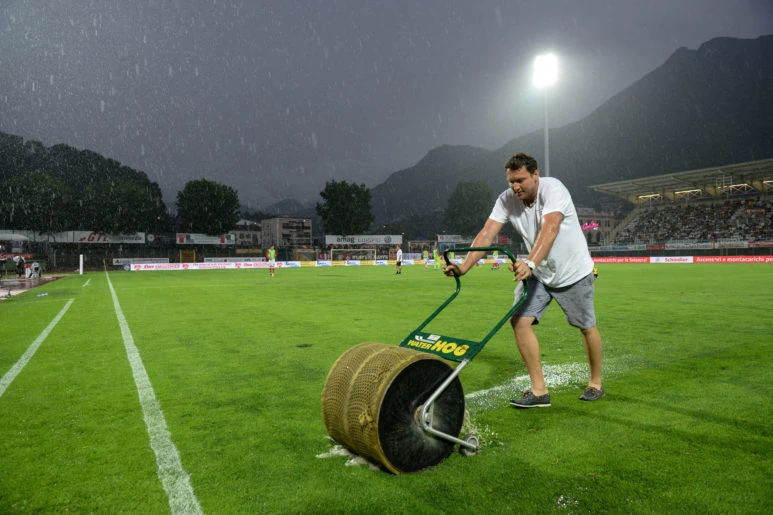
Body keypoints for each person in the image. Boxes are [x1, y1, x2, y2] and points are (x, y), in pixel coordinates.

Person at [443, 152, 604, 408]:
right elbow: (486, 234)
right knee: (519, 321)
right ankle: (539, 391)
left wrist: (529, 262)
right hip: (539, 272)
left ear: (535, 174)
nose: (515, 187)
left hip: (573, 271)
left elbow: (550, 229)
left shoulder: (554, 190)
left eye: (520, 180)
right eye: (511, 181)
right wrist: (463, 267)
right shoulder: (507, 199)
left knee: (585, 326)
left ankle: (596, 382)